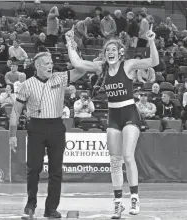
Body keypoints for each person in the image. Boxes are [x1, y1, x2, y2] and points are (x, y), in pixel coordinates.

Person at [65, 25, 158, 219]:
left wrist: (150, 41)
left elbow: (153, 61)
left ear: (120, 52)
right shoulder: (101, 67)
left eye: (113, 50)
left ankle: (134, 197)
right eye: (107, 50)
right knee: (115, 162)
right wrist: (69, 43)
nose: (110, 53)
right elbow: (78, 63)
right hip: (113, 115)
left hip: (130, 114)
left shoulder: (129, 65)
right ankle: (117, 203)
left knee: (127, 156)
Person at [8, 49, 88, 218]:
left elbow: (81, 70)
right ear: (37, 66)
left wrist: (72, 50)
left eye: (51, 63)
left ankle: (51, 208)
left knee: (56, 170)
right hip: (36, 126)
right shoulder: (27, 85)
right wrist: (13, 135)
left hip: (56, 126)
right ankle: (30, 204)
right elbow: (16, 111)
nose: (50, 66)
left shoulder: (60, 77)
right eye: (46, 63)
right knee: (34, 168)